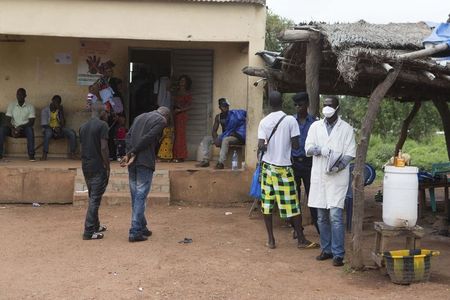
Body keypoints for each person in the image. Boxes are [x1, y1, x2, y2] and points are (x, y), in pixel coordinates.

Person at [257, 91, 314, 250]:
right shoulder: (290, 120)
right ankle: (301, 240)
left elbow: (261, 145)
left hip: (267, 167)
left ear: (269, 104)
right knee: (292, 205)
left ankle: (271, 240)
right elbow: (296, 145)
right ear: (282, 102)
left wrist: (269, 144)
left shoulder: (264, 122)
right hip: (284, 168)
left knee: (267, 204)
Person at [305, 96, 356, 267]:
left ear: (337, 107)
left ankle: (338, 253)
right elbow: (308, 148)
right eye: (325, 105)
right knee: (321, 217)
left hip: (337, 177)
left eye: (330, 105)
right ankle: (326, 249)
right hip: (320, 176)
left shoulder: (347, 129)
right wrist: (320, 150)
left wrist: (338, 166)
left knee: (335, 215)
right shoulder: (315, 126)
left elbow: (350, 153)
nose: (327, 108)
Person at [120, 106, 170, 242]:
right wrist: (134, 152)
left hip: (133, 162)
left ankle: (142, 227)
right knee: (140, 196)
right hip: (145, 161)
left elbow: (128, 136)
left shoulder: (139, 116)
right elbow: (149, 137)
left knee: (136, 196)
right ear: (166, 116)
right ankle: (135, 231)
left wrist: (130, 153)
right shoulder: (161, 121)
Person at [79, 102, 110, 240]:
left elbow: (82, 147)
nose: (107, 114)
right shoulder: (103, 125)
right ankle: (89, 231)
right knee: (95, 200)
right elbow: (104, 147)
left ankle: (96, 225)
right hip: (98, 166)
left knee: (93, 196)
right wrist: (107, 165)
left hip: (86, 166)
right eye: (106, 112)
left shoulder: (83, 127)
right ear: (102, 112)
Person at [290, 92, 320, 234]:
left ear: (307, 105)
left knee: (312, 196)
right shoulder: (291, 122)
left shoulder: (314, 123)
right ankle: (297, 228)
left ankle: (319, 227)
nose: (297, 108)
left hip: (309, 164)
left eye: (300, 105)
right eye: (295, 105)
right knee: (294, 197)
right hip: (294, 164)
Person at [196, 98, 246, 169]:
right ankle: (206, 160)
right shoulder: (218, 117)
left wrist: (237, 133)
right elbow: (214, 131)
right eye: (224, 106)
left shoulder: (235, 114)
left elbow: (247, 114)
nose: (226, 108)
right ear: (220, 107)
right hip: (225, 135)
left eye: (227, 106)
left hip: (236, 136)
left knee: (225, 140)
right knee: (206, 139)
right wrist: (215, 139)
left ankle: (220, 163)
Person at [0, 88, 36, 161]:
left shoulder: (30, 106)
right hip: (12, 128)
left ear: (25, 96)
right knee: (2, 129)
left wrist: (20, 127)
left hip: (24, 129)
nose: (20, 96)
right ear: (16, 95)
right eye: (18, 94)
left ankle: (31, 155)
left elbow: (31, 122)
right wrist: (13, 129)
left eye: (22, 94)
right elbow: (7, 120)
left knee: (30, 130)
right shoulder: (11, 105)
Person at [40, 95, 77, 160]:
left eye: (58, 102)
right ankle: (44, 154)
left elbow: (63, 124)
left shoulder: (59, 110)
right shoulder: (45, 110)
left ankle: (73, 153)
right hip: (49, 129)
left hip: (59, 129)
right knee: (48, 133)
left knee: (72, 133)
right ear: (52, 101)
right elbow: (44, 124)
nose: (57, 103)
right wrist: (54, 129)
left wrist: (61, 111)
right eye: (55, 101)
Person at [172, 75, 192, 163]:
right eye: (181, 80)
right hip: (175, 114)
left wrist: (180, 110)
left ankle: (180, 155)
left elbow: (190, 106)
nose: (182, 82)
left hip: (182, 115)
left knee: (180, 136)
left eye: (183, 81)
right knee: (175, 135)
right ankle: (174, 155)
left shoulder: (187, 93)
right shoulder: (176, 92)